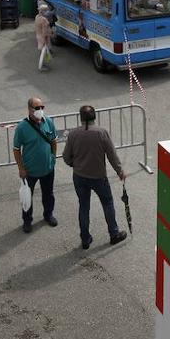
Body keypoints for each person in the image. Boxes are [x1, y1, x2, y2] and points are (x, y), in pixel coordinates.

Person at [61, 104, 128, 249]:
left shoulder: (73, 134)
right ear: (94, 116)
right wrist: (120, 171)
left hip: (79, 176)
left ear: (81, 118)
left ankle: (85, 239)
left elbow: (66, 157)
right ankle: (114, 234)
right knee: (108, 203)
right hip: (99, 177)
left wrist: (75, 164)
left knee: (84, 206)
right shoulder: (101, 132)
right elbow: (111, 155)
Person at [13, 97, 59, 233]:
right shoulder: (22, 127)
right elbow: (16, 149)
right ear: (29, 110)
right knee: (28, 197)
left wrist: (53, 157)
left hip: (48, 168)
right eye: (37, 108)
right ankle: (27, 221)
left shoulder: (48, 122)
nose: (40, 111)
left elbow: (54, 141)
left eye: (42, 108)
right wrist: (21, 168)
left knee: (48, 194)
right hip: (29, 171)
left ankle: (48, 215)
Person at [35, 5, 53, 71]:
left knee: (42, 51)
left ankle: (42, 65)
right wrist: (45, 39)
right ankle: (41, 66)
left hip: (38, 35)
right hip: (43, 37)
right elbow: (44, 31)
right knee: (43, 52)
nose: (47, 12)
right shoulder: (44, 20)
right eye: (46, 10)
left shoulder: (37, 17)